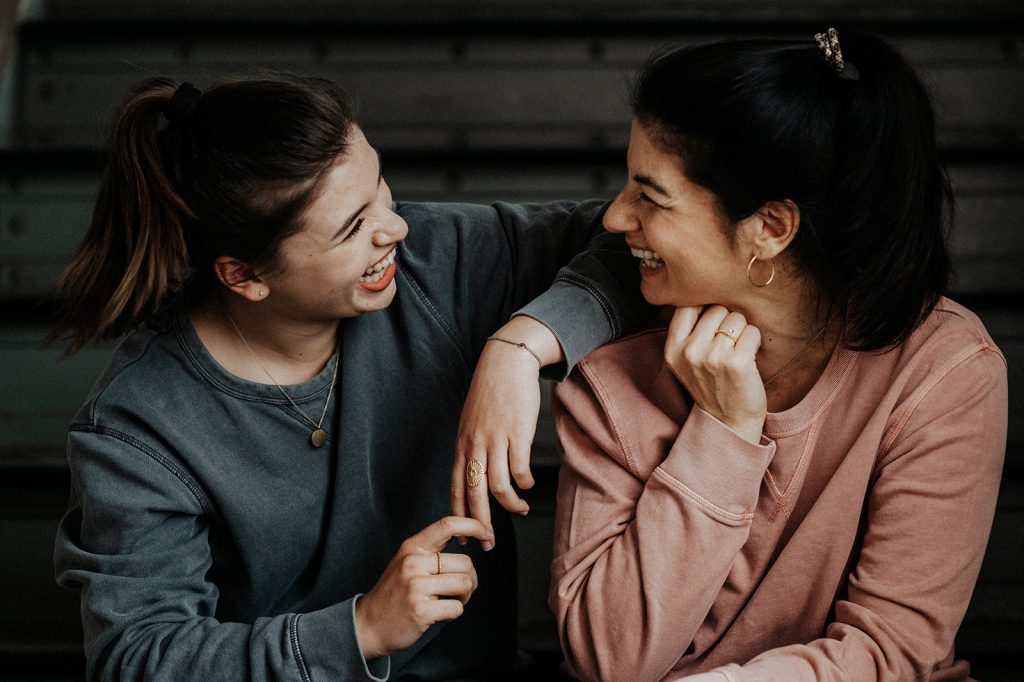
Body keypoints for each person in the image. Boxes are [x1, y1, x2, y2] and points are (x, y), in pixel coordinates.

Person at [49, 73, 645, 681]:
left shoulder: (432, 260)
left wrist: (520, 346)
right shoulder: (137, 426)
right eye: (353, 227)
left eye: (380, 186)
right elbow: (138, 659)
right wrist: (361, 630)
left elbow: (645, 241)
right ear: (245, 276)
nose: (395, 228)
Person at [547, 29, 1007, 681]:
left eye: (650, 196)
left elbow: (892, 652)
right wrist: (724, 434)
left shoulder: (943, 369)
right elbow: (609, 660)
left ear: (770, 228)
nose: (615, 217)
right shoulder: (611, 372)